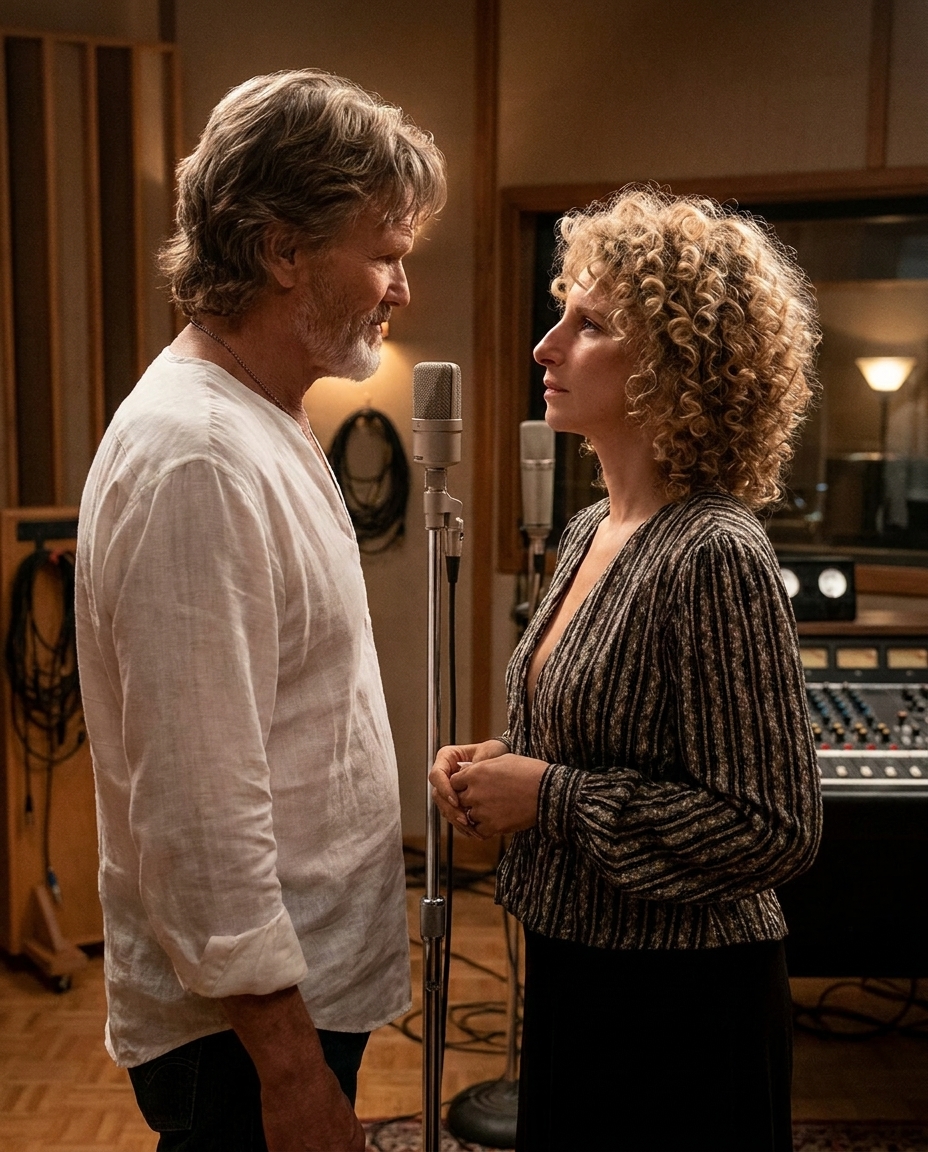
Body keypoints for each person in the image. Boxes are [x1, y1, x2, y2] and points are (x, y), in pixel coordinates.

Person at [76, 70, 445, 1152]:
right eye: (385, 253)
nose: (402, 287)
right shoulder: (197, 456)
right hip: (241, 1038)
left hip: (299, 994)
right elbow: (197, 811)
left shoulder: (262, 415)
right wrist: (289, 1071)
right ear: (284, 250)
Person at [430, 187, 823, 1152]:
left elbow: (775, 826)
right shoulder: (585, 533)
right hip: (578, 968)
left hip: (682, 1006)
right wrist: (497, 766)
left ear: (679, 367)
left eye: (590, 324)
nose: (546, 347)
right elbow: (605, 741)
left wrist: (549, 796)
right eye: (561, 315)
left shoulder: (714, 551)